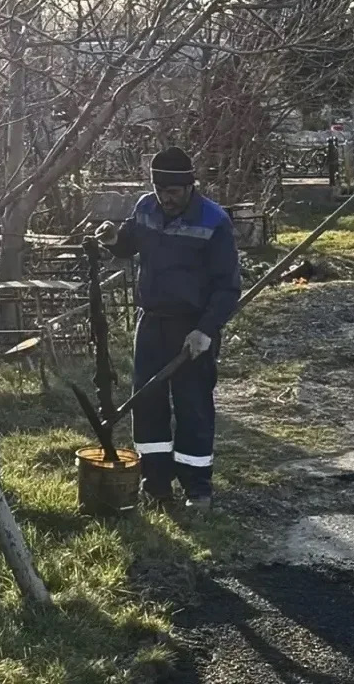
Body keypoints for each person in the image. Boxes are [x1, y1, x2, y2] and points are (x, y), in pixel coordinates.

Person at [95, 147, 241, 510]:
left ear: (190, 186)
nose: (166, 198)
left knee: (192, 405)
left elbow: (227, 286)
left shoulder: (213, 222)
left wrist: (206, 330)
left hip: (192, 328)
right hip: (152, 322)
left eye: (173, 191)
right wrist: (114, 238)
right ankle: (155, 482)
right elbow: (131, 240)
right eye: (160, 190)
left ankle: (197, 489)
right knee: (147, 402)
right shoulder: (146, 208)